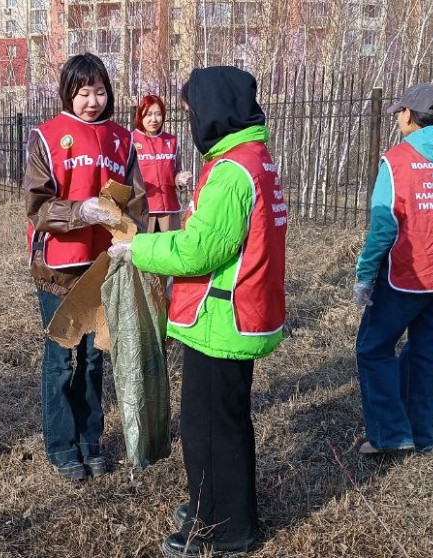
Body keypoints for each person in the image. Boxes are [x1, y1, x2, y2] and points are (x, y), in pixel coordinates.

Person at [110, 67, 288, 557]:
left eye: (191, 111)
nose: (188, 120)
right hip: (239, 313)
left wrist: (139, 247)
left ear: (214, 111)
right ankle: (219, 504)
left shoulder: (233, 170)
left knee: (208, 426)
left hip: (221, 317)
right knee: (226, 420)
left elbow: (198, 250)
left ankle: (224, 529)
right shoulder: (253, 159)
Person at [24, 53, 148, 482]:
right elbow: (37, 207)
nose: (92, 100)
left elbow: (137, 203)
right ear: (68, 93)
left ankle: (89, 441)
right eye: (82, 92)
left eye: (99, 91)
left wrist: (135, 241)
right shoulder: (48, 137)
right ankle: (61, 445)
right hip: (58, 270)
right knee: (60, 360)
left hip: (104, 267)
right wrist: (81, 210)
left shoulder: (122, 140)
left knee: (95, 360)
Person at [351, 82, 433, 456]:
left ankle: (390, 435)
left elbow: (385, 225)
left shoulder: (397, 160)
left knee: (374, 349)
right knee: (425, 353)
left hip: (406, 276)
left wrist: (364, 275)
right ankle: (421, 435)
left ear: (408, 115)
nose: (398, 119)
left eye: (399, 113)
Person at [131, 95, 191, 232]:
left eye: (158, 114)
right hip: (142, 212)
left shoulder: (172, 141)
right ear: (140, 116)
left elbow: (176, 172)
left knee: (169, 250)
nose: (154, 119)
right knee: (144, 252)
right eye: (148, 114)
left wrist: (180, 179)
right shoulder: (131, 141)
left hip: (168, 210)